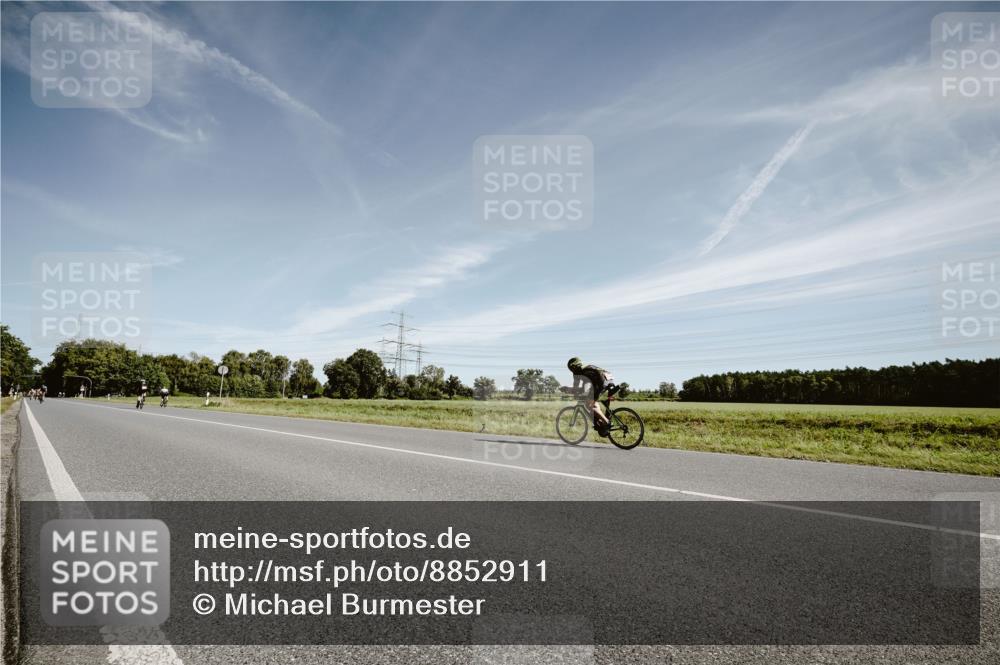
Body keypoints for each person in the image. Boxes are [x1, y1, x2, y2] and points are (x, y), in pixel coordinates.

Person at [566, 357, 616, 436]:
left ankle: (606, 422)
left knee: (590, 405)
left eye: (572, 369)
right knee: (592, 402)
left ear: (574, 367)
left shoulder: (580, 372)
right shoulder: (588, 368)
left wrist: (567, 389)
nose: (572, 371)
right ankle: (601, 420)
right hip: (609, 380)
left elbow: (576, 388)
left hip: (601, 382)